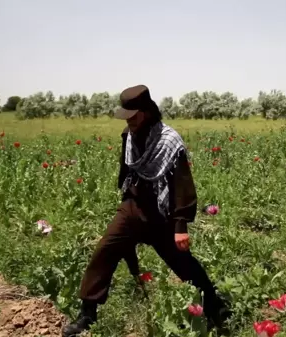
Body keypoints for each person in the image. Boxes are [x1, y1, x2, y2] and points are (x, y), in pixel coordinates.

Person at [62, 85, 232, 337]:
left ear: (146, 111)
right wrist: (124, 202)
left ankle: (216, 308)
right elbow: (127, 170)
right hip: (132, 207)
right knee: (104, 252)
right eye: (126, 116)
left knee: (183, 263)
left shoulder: (169, 141)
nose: (128, 121)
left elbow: (182, 184)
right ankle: (87, 314)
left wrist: (180, 226)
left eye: (132, 115)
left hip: (161, 214)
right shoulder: (128, 135)